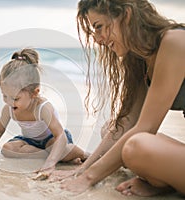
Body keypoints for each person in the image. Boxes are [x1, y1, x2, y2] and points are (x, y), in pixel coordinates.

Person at [57, 0, 185, 197]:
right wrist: (81, 170)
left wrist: (89, 178)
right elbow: (126, 124)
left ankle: (166, 180)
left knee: (136, 146)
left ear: (126, 15)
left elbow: (147, 127)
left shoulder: (175, 41)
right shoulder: (141, 60)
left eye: (99, 27)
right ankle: (166, 181)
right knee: (111, 129)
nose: (98, 39)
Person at [0, 48, 88, 177]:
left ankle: (82, 154)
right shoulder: (9, 109)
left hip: (53, 139)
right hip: (29, 142)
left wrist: (50, 163)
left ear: (34, 93)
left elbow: (60, 136)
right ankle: (50, 154)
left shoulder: (43, 108)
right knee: (7, 149)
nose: (9, 102)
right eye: (5, 96)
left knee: (63, 149)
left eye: (15, 98)